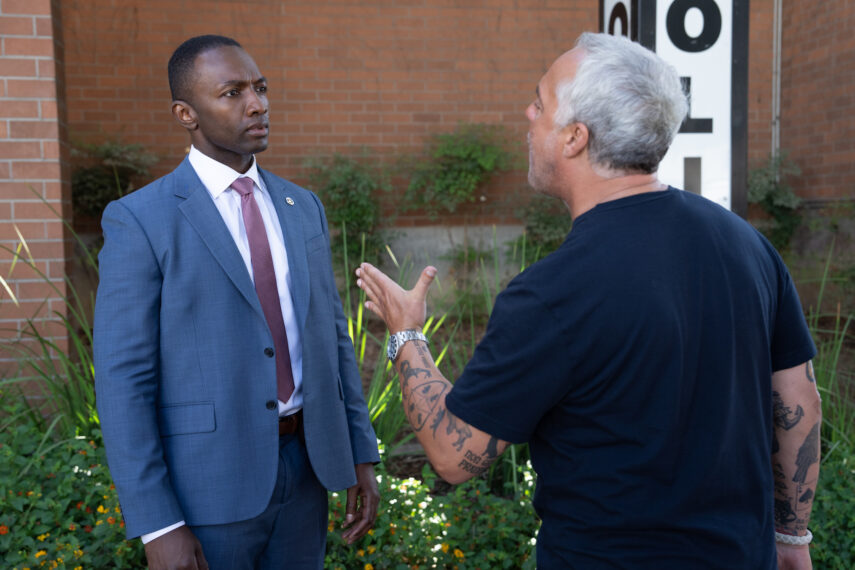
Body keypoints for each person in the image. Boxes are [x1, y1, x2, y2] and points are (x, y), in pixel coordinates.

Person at [355, 32, 820, 569]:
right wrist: (792, 538)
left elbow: (454, 455)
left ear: (575, 137)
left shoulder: (553, 292)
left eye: (540, 101)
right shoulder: (746, 244)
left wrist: (406, 333)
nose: (527, 114)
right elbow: (798, 403)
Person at [94, 35, 380, 570]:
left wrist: (360, 453)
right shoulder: (141, 220)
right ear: (186, 113)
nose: (257, 104)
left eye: (260, 87)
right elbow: (122, 380)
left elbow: (333, 339)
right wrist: (159, 524)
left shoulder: (302, 206)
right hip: (207, 489)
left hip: (307, 471)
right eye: (232, 92)